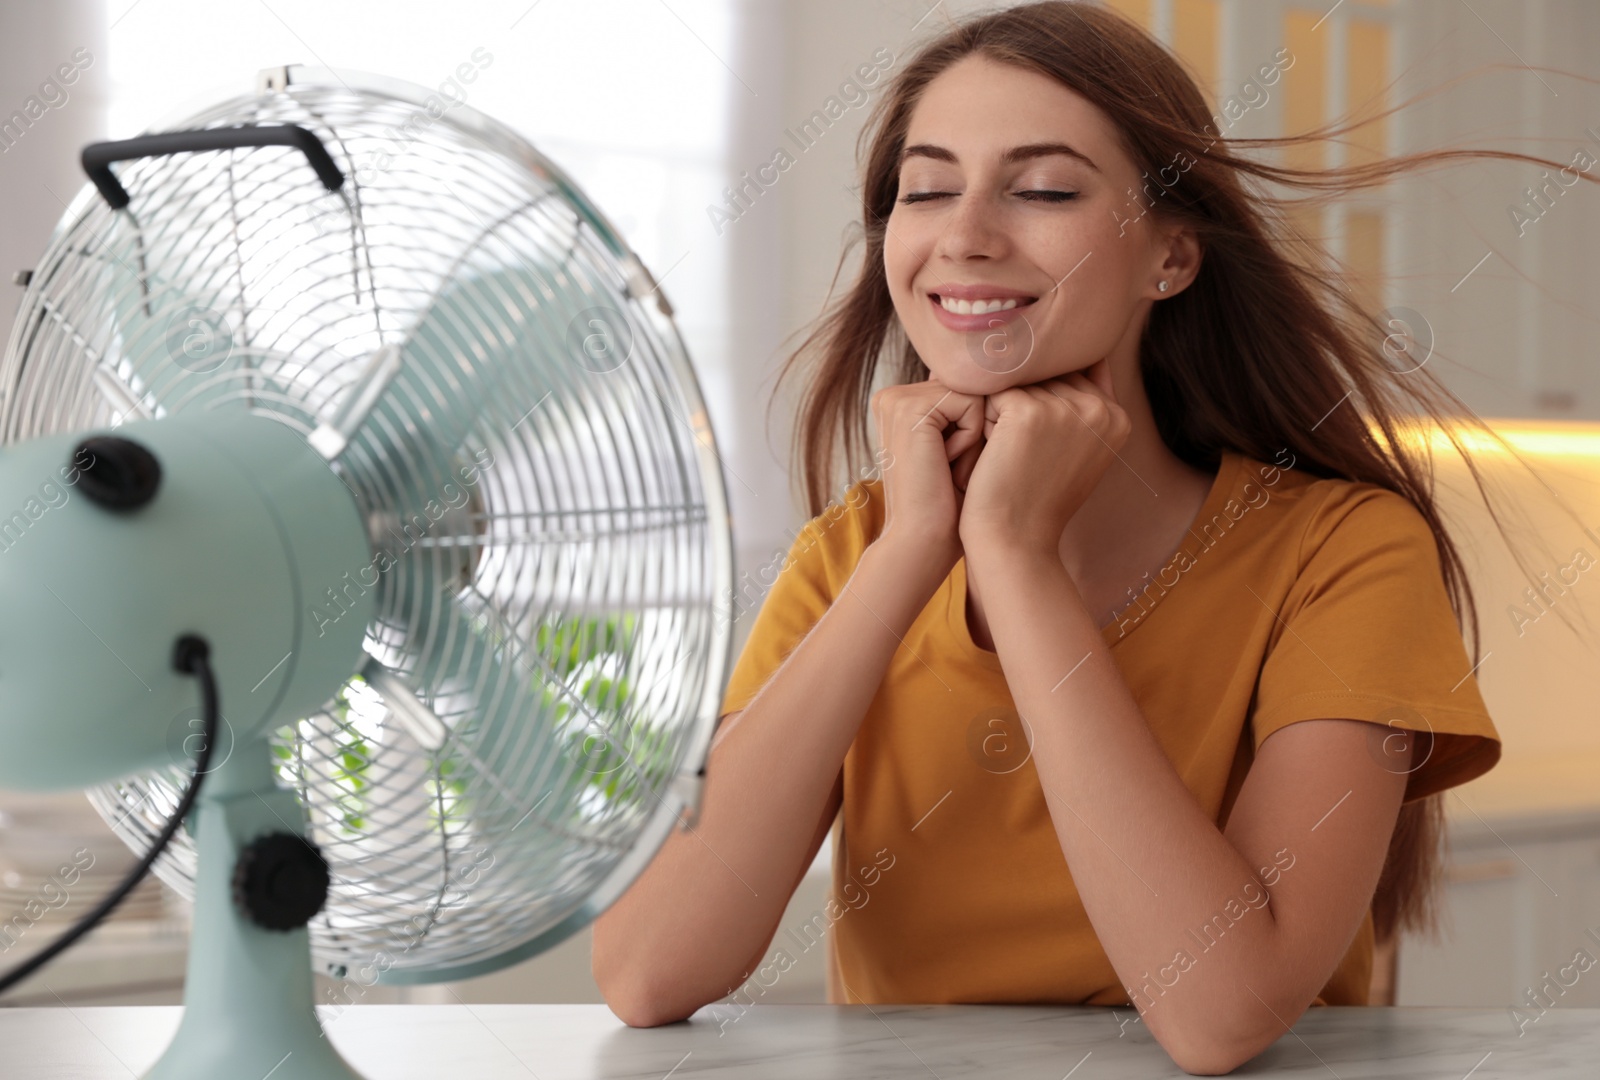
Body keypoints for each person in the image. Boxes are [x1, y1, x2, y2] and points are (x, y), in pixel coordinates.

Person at [594, 3, 1584, 1072]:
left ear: (1170, 256)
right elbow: (649, 970)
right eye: (925, 189)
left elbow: (1217, 1016)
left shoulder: (1342, 552)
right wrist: (909, 551)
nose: (965, 232)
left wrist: (1014, 558)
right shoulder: (856, 555)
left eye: (1044, 190)